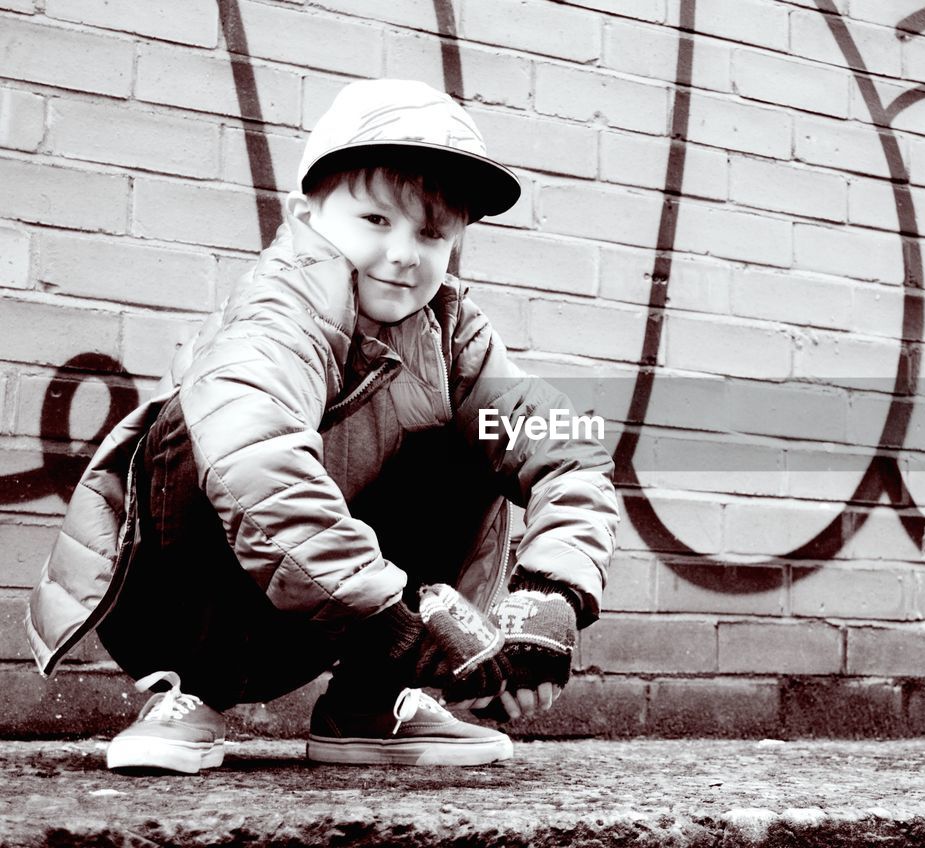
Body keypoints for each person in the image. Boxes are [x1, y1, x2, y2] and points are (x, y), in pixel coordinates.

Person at [24, 79, 619, 773]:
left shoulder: (454, 336)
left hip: (334, 614)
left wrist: (551, 598)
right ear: (310, 214)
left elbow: (565, 447)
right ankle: (190, 694)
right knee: (209, 429)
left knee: (476, 443)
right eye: (376, 221)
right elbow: (256, 466)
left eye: (432, 233)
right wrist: (395, 620)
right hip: (186, 608)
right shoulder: (278, 313)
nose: (405, 253)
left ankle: (368, 704)